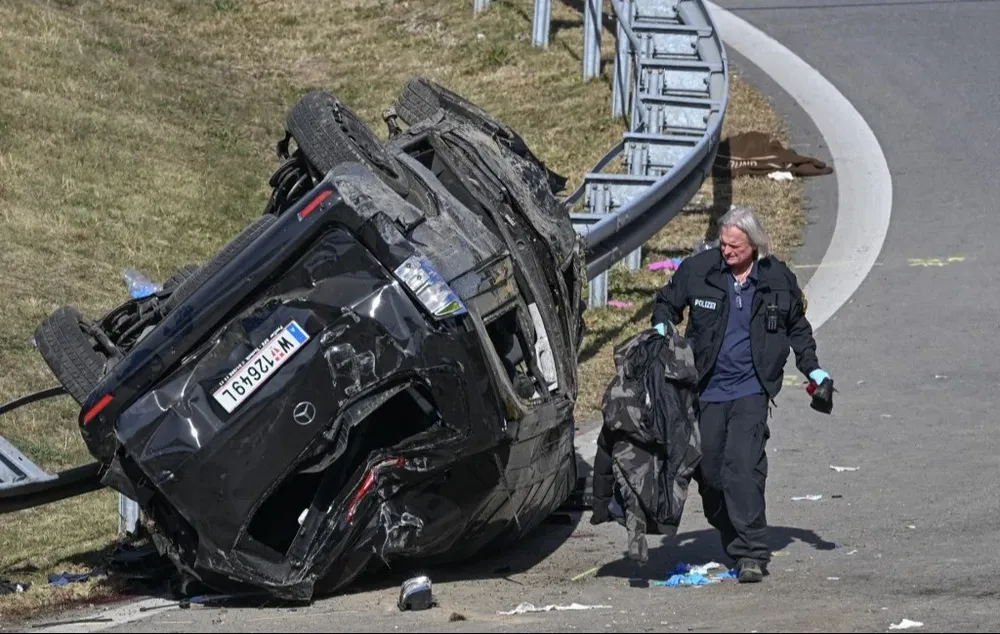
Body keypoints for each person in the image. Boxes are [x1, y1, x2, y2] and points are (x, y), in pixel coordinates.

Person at [651, 207, 831, 584]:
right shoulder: (699, 270)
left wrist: (814, 371)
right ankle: (734, 534)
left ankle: (751, 553)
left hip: (751, 389)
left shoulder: (777, 279)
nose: (727, 250)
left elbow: (798, 329)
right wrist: (662, 329)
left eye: (735, 245)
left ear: (754, 245)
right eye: (723, 243)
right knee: (711, 474)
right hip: (707, 389)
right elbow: (666, 303)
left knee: (742, 467)